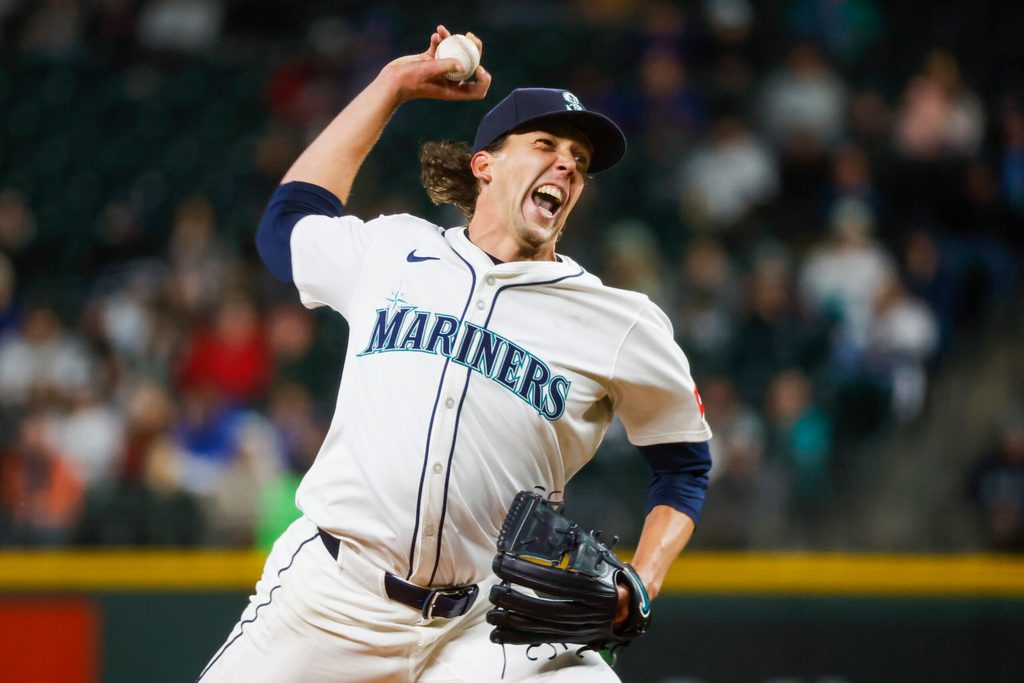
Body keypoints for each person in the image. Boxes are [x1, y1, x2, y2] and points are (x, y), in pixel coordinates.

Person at [197, 26, 712, 683]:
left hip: (494, 623)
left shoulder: (620, 321)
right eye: (546, 145)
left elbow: (684, 464)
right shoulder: (392, 251)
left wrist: (644, 578)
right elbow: (286, 221)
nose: (567, 165)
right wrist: (391, 87)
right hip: (332, 599)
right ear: (484, 164)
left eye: (579, 161)